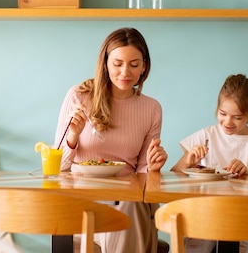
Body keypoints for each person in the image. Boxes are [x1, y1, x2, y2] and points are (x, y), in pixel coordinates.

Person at [54, 27, 168, 253]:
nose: (125, 72)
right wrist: (73, 137)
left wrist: (153, 167)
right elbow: (55, 167)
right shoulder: (79, 96)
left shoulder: (151, 108)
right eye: (117, 64)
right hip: (84, 199)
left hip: (127, 201)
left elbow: (144, 175)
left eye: (134, 64)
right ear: (105, 63)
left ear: (144, 65)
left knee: (130, 205)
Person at [170, 74, 248, 253]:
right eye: (222, 114)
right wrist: (188, 160)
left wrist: (247, 173)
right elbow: (173, 176)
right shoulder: (206, 135)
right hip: (205, 213)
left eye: (237, 117)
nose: (228, 122)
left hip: (244, 216)